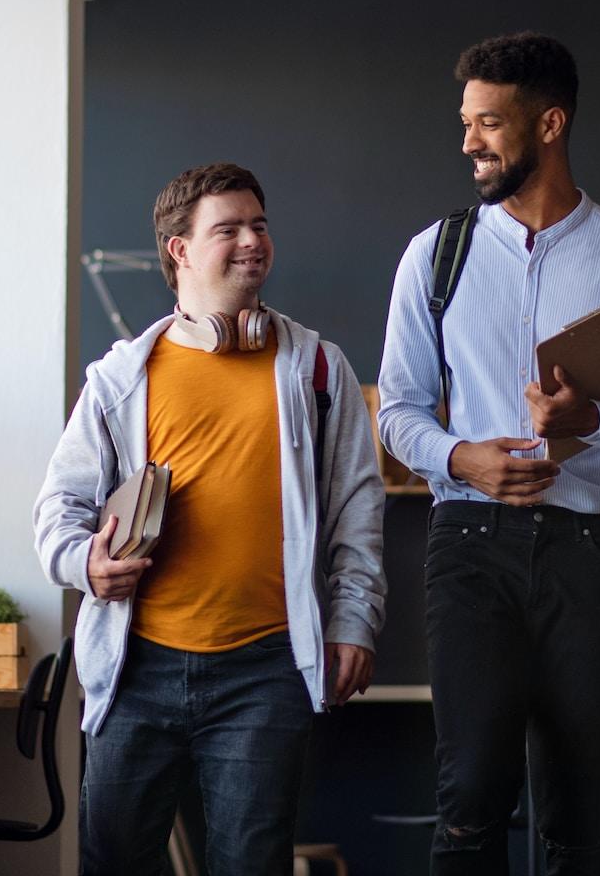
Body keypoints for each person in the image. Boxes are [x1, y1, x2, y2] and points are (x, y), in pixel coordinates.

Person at [378, 33, 600, 875]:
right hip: (468, 548)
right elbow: (397, 411)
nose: (468, 144)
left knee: (578, 810)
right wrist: (464, 460)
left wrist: (599, 420)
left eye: (488, 124)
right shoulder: (437, 254)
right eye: (466, 123)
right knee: (469, 806)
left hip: (593, 552)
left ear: (551, 124)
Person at [34, 161, 387, 874]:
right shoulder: (120, 378)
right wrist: (87, 566)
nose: (253, 240)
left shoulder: (319, 370)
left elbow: (358, 514)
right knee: (113, 863)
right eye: (228, 229)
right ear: (180, 249)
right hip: (137, 668)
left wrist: (355, 621)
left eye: (259, 225)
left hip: (265, 669)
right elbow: (58, 510)